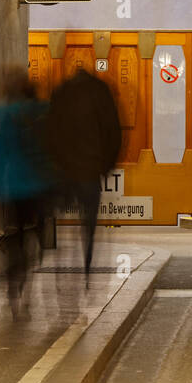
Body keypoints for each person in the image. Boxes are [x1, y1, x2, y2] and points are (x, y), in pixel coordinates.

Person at [46, 66, 122, 286]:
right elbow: (113, 131)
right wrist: (106, 167)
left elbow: (51, 131)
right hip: (90, 171)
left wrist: (56, 165)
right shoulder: (101, 91)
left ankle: (63, 273)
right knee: (88, 222)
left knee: (61, 215)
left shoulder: (62, 92)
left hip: (66, 172)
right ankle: (87, 265)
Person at [0, 66, 51, 317]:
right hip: (39, 187)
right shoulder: (41, 111)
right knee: (34, 238)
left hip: (11, 188)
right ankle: (27, 283)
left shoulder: (1, 114)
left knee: (15, 240)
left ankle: (14, 286)